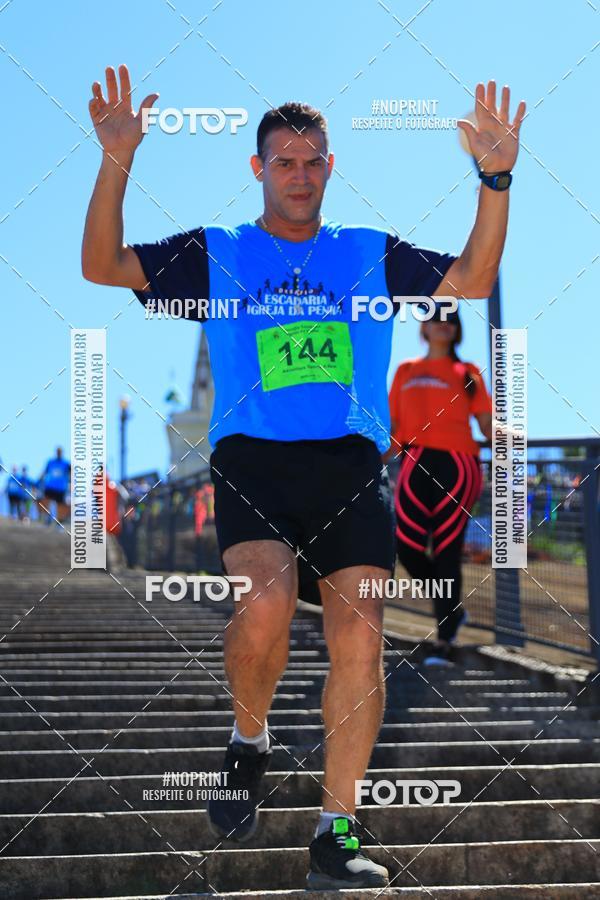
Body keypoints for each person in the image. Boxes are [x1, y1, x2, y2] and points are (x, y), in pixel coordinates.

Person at [82, 64, 524, 890]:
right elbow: (102, 265)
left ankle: (336, 834)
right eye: (283, 162)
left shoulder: (365, 253)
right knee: (268, 602)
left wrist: (494, 179)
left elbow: (473, 279)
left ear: (330, 166)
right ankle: (249, 742)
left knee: (361, 634)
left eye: (313, 161)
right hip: (253, 460)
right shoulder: (219, 253)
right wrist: (117, 161)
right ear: (259, 170)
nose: (299, 175)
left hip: (352, 464)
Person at [388, 304, 493, 665]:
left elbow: (487, 426)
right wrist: (368, 462)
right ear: (424, 328)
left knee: (447, 549)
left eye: (451, 321)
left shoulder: (468, 372)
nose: (443, 326)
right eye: (436, 319)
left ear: (457, 330)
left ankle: (445, 640)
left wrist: (510, 438)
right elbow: (393, 429)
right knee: (406, 546)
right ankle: (452, 608)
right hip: (414, 461)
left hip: (458, 463)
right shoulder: (406, 370)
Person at [39, 447, 71, 524]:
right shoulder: (50, 462)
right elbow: (45, 471)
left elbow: (71, 474)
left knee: (59, 505)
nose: (58, 453)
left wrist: (70, 484)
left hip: (60, 488)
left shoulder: (66, 463)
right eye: (57, 451)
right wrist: (40, 479)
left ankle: (58, 521)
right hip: (50, 486)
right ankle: (47, 518)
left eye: (60, 452)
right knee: (46, 502)